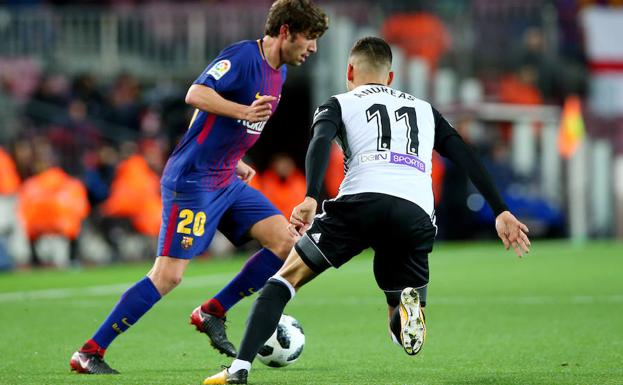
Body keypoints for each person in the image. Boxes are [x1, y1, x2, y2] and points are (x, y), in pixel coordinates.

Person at [203, 36, 531, 385]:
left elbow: (319, 142)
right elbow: (465, 155)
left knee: (284, 280)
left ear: (349, 71)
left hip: (360, 202)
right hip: (416, 211)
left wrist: (312, 196)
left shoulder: (338, 103)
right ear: (390, 77)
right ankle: (405, 314)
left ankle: (238, 371)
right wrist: (501, 210)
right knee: (402, 324)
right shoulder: (425, 109)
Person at [70, 0, 328, 374]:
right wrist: (240, 113)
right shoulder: (242, 57)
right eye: (310, 37)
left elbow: (207, 117)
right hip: (193, 181)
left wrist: (234, 156)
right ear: (286, 31)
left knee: (287, 243)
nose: (314, 48)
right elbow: (196, 94)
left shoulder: (280, 73)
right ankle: (90, 351)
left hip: (225, 176)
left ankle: (212, 311)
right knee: (169, 276)